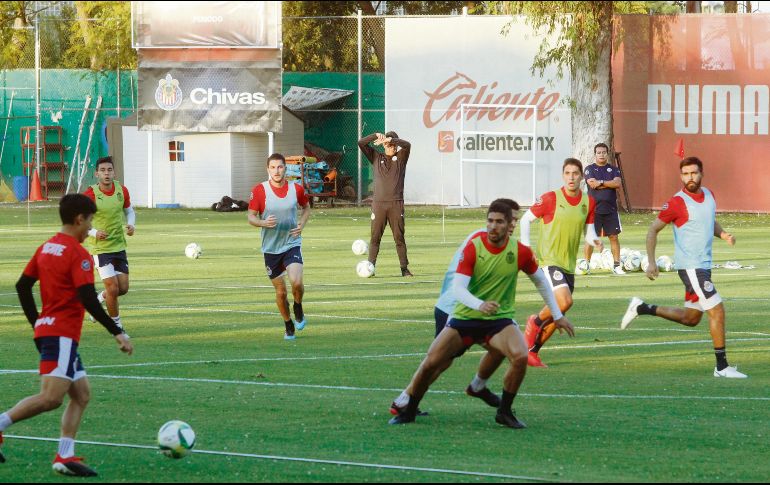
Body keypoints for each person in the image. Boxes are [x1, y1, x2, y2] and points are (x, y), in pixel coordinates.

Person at [388, 199, 574, 428]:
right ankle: (407, 405)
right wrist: (479, 305)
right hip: (461, 313)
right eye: (491, 221)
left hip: (496, 320)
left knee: (516, 354)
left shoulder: (519, 251)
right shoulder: (476, 243)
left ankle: (496, 403)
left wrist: (557, 315)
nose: (498, 225)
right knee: (435, 362)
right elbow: (458, 287)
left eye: (506, 221)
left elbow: (541, 283)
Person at [0, 194, 133, 476]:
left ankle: (65, 455)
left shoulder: (46, 247)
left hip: (53, 332)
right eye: (89, 222)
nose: (90, 229)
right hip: (60, 334)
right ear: (78, 219)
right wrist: (116, 331)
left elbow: (23, 286)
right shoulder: (77, 254)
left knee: (81, 395)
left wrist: (38, 323)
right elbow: (87, 297)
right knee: (50, 398)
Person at [389, 199, 519, 417]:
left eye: (515, 219)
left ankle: (477, 386)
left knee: (497, 350)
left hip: (472, 311)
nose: (513, 223)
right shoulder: (482, 240)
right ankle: (405, 400)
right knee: (438, 362)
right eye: (511, 218)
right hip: (455, 309)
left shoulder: (501, 241)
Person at [620, 157, 746, 378]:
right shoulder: (677, 202)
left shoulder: (709, 195)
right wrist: (651, 261)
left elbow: (709, 221)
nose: (690, 177)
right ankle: (722, 367)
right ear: (681, 176)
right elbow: (652, 230)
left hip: (704, 266)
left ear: (701, 173)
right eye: (686, 174)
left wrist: (723, 234)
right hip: (691, 267)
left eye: (694, 173)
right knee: (717, 310)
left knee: (691, 318)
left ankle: (642, 308)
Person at [520, 158, 602, 368]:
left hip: (568, 264)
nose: (572, 177)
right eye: (568, 173)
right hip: (549, 261)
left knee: (558, 312)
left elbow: (589, 233)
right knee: (564, 302)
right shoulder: (550, 198)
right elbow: (525, 220)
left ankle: (532, 352)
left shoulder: (588, 202)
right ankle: (535, 322)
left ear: (582, 176)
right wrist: (527, 249)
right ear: (563, 175)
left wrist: (596, 241)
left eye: (576, 173)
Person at [248, 153, 312, 340]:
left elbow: (307, 208)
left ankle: (298, 306)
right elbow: (251, 216)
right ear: (268, 169)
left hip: (292, 244)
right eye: (273, 167)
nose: (277, 171)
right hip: (271, 249)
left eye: (280, 167)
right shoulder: (260, 190)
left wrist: (301, 224)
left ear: (285, 168)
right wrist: (263, 223)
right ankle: (288, 323)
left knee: (297, 282)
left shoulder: (296, 189)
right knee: (281, 292)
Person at [83, 156, 135, 331]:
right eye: (103, 170)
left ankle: (98, 300)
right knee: (113, 289)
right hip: (100, 249)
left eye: (109, 170)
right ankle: (116, 326)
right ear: (96, 173)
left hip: (119, 246)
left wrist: (131, 224)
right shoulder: (90, 194)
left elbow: (129, 211)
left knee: (123, 288)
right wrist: (94, 232)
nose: (107, 173)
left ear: (114, 172)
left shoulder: (122, 190)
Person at [358, 131, 412, 276]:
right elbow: (361, 143)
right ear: (384, 145)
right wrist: (376, 135)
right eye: (389, 144)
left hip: (396, 204)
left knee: (399, 238)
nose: (392, 147)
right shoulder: (376, 157)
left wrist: (392, 139)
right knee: (375, 238)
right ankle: (371, 267)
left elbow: (407, 145)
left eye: (394, 144)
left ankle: (404, 269)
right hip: (379, 205)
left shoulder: (401, 158)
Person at [583, 143, 625, 275]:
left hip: (610, 209)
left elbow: (617, 183)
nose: (601, 155)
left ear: (607, 154)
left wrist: (600, 182)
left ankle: (617, 266)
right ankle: (586, 265)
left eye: (603, 152)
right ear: (595, 154)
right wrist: (608, 184)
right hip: (594, 210)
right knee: (590, 238)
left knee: (613, 237)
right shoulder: (589, 169)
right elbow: (592, 184)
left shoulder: (614, 169)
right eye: (599, 152)